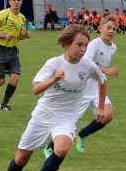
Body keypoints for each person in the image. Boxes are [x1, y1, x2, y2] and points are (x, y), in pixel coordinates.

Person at [0, 24, 107, 171]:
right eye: (79, 44)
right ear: (67, 44)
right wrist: (54, 79)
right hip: (44, 114)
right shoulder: (54, 63)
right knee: (22, 158)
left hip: (67, 117)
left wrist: (101, 107)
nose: (83, 49)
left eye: (86, 45)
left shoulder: (88, 65)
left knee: (62, 148)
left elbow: (102, 82)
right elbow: (36, 89)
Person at [43, 14, 119, 158]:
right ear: (100, 28)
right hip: (83, 88)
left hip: (97, 88)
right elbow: (86, 62)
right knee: (69, 121)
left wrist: (103, 73)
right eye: (108, 28)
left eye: (114, 29)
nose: (111, 31)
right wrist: (106, 70)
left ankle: (81, 136)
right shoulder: (94, 44)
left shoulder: (113, 47)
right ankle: (49, 147)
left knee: (108, 115)